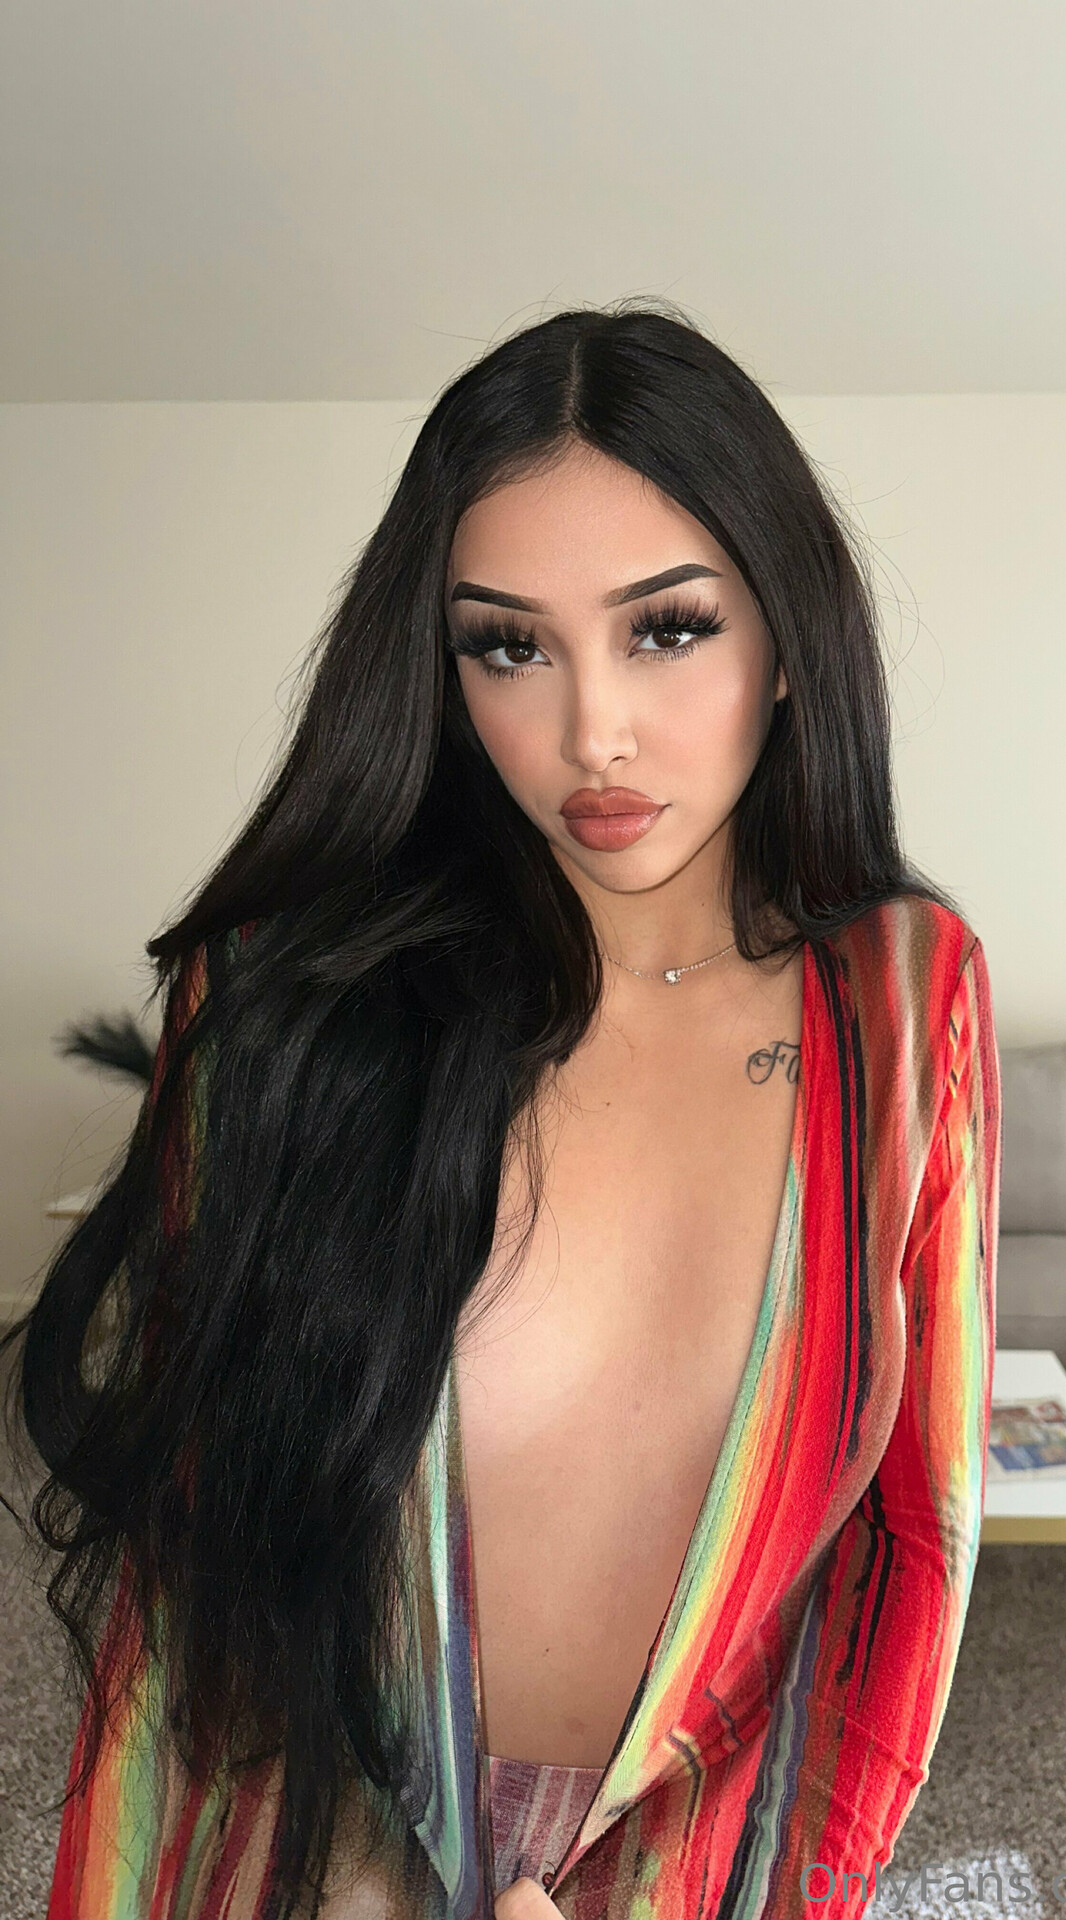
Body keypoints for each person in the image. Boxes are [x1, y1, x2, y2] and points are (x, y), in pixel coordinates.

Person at [3, 300, 1001, 1920]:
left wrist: (781, 1890)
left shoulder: (902, 996)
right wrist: (353, 1877)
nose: (591, 731)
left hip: (709, 1867)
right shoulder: (288, 996)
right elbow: (196, 1542)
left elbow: (915, 1538)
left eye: (666, 628)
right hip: (318, 1846)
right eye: (509, 645)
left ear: (790, 636)